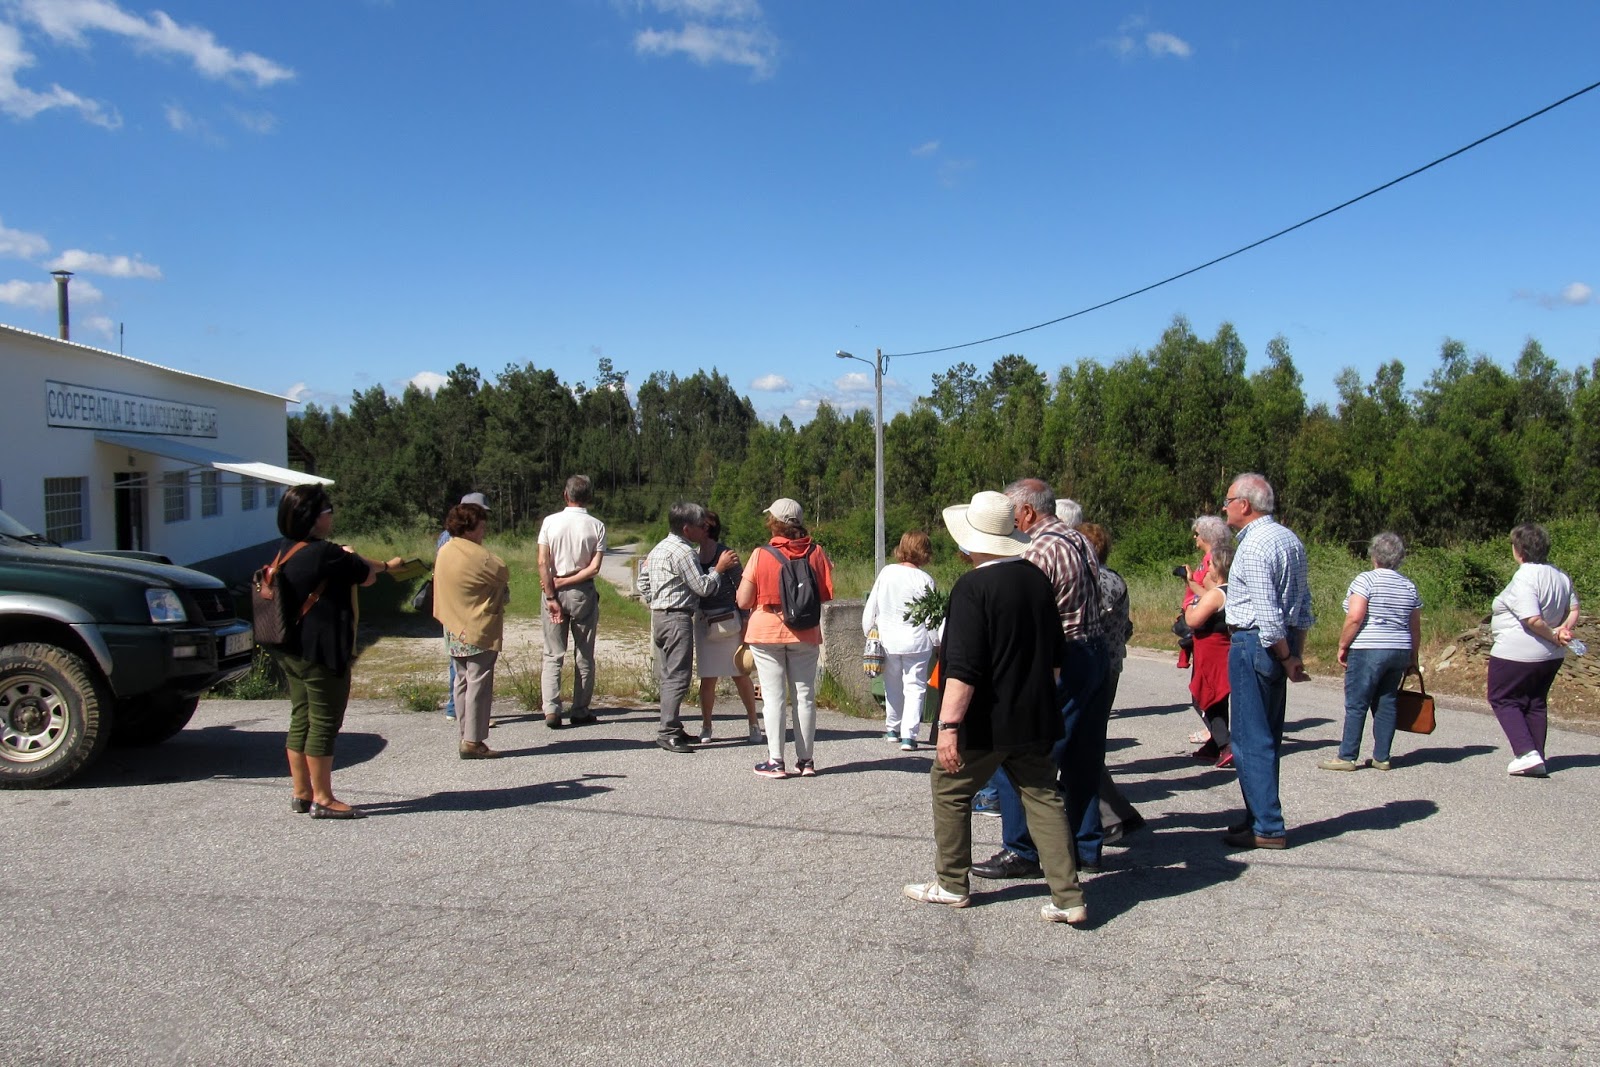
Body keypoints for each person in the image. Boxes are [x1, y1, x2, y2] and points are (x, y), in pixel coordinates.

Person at [901, 491, 1087, 926]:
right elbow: (1056, 657)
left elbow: (963, 668)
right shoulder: (1036, 579)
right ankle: (1068, 895)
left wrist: (948, 726)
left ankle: (951, 883)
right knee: (1043, 797)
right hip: (1034, 713)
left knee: (950, 786)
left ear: (972, 540)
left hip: (986, 718)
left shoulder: (972, 588)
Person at [973, 478, 1107, 880]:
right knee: (1084, 757)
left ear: (1027, 512)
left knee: (1021, 752)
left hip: (1061, 657)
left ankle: (1021, 849)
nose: (1008, 521)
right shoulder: (1077, 539)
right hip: (1093, 651)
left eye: (1010, 512)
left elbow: (1022, 611)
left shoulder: (1037, 549)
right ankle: (1086, 845)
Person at [268, 483, 403, 820]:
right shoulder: (325, 553)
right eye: (328, 511)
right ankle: (324, 798)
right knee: (325, 723)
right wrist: (378, 562)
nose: (331, 516)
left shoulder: (286, 551)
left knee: (301, 717)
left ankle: (302, 792)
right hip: (322, 651)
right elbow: (366, 576)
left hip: (290, 649)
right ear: (314, 518)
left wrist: (349, 556)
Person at [1221, 472, 1314, 850]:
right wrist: (1294, 652)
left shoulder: (1255, 545)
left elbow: (1268, 613)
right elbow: (1303, 605)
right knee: (1267, 734)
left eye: (1228, 501)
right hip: (1277, 643)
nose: (1224, 508)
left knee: (1248, 738)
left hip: (1256, 642)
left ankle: (1268, 825)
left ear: (1244, 504)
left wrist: (1287, 656)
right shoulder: (1289, 539)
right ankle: (1256, 815)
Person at [737, 497, 835, 778]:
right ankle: (806, 761)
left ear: (774, 522)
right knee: (805, 696)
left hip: (767, 630)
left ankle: (776, 761)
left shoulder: (760, 554)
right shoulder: (816, 552)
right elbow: (825, 594)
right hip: (805, 631)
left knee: (773, 697)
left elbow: (743, 600)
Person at [637, 501, 740, 753]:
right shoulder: (685, 553)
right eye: (700, 525)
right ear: (686, 529)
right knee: (678, 677)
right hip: (677, 617)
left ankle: (672, 724)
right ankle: (668, 732)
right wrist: (719, 569)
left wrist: (657, 600)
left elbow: (642, 582)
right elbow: (703, 587)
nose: (704, 529)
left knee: (668, 675)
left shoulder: (659, 548)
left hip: (660, 617)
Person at [1322, 532, 1421, 772]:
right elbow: (1415, 627)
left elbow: (1355, 617)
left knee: (1357, 702)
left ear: (1374, 555)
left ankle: (1347, 756)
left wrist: (1343, 644)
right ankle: (1382, 757)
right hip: (1399, 648)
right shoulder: (1408, 585)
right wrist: (1413, 657)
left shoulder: (1365, 580)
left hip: (1368, 647)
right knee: (1387, 701)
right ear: (1399, 558)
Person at [1486, 523, 1579, 778]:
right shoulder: (1560, 575)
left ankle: (1526, 753)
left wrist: (1553, 634)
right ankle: (1537, 755)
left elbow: (1532, 619)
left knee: (1502, 698)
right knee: (1535, 701)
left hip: (1517, 653)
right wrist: (1563, 631)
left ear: (1519, 550)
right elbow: (1574, 609)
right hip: (1551, 656)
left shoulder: (1525, 577)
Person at [1077, 522, 1144, 844]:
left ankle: (1114, 816)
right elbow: (1126, 627)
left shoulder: (1097, 581)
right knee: (1087, 742)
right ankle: (1116, 814)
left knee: (1083, 743)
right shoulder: (1115, 578)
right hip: (1109, 665)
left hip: (1093, 668)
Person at [434, 501, 511, 760]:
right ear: (469, 528)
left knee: (461, 681)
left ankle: (464, 733)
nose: (483, 532)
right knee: (478, 683)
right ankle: (473, 740)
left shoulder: (445, 550)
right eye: (481, 527)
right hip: (476, 626)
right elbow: (502, 571)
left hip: (452, 626)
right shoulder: (476, 554)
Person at [537, 475, 606, 729]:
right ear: (588, 497)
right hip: (582, 591)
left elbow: (543, 561)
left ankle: (551, 709)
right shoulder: (597, 526)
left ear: (566, 495)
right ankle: (580, 709)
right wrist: (568, 581)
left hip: (553, 587)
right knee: (584, 654)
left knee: (553, 652)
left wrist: (551, 591)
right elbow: (594, 568)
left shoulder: (550, 522)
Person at [862, 530, 937, 752]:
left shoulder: (887, 572)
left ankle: (892, 728)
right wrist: (937, 642)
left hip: (889, 639)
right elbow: (931, 618)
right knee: (915, 688)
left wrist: (869, 631)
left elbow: (872, 605)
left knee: (892, 685)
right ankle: (909, 736)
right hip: (917, 641)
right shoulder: (925, 579)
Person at [691, 510, 762, 744]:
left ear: (706, 528)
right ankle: (706, 726)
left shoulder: (727, 554)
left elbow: (742, 587)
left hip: (729, 621)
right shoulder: (692, 555)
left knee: (740, 674)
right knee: (708, 677)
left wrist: (745, 620)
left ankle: (754, 723)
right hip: (704, 622)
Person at [437, 491, 491, 721]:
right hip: (461, 612)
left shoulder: (451, 540)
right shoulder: (453, 542)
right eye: (480, 514)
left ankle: (461, 714)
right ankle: (464, 715)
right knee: (466, 669)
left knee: (460, 666)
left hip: (454, 610)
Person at [1183, 545, 1235, 769]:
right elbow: (1209, 598)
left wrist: (1188, 606)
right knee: (1218, 697)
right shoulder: (1231, 590)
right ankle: (1215, 744)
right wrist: (1191, 583)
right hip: (1223, 648)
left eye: (1210, 565)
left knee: (1202, 697)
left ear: (1219, 567)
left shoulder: (1216, 594)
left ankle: (1225, 743)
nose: (1207, 569)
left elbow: (1193, 620)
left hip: (1211, 650)